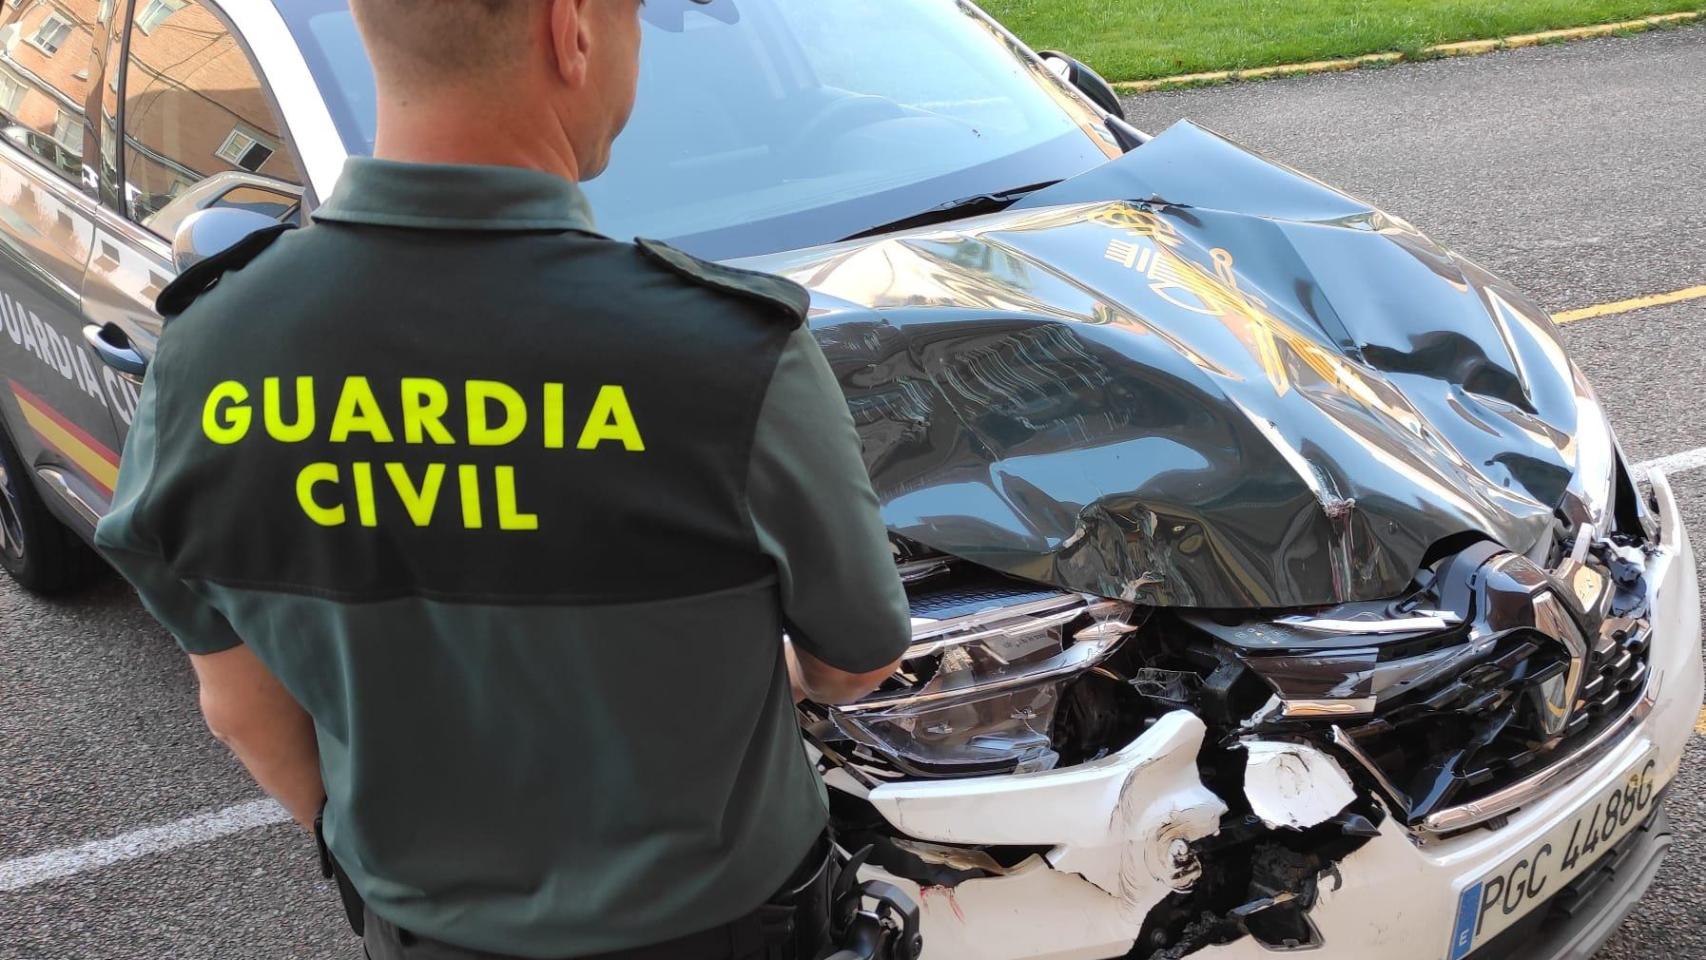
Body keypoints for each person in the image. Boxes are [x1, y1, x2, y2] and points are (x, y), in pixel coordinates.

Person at [93, 0, 913, 957]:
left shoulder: (210, 355)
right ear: (571, 29)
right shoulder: (727, 356)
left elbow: (238, 706)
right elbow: (854, 661)